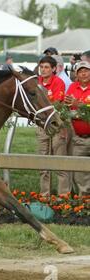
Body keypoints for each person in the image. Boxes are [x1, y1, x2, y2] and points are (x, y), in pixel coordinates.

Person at [36, 56, 71, 196]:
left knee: (60, 163)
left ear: (54, 69)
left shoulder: (59, 82)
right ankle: (45, 196)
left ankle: (64, 198)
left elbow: (55, 105)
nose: (43, 70)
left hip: (57, 125)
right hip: (41, 126)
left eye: (46, 67)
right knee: (43, 163)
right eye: (41, 67)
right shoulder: (36, 82)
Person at [64, 61, 90, 195]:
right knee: (79, 172)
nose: (84, 73)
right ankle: (84, 202)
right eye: (80, 71)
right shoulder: (72, 87)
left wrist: (77, 104)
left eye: (86, 70)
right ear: (76, 74)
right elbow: (67, 105)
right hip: (79, 138)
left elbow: (75, 105)